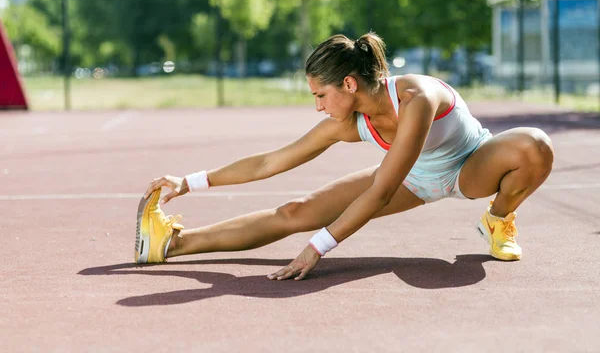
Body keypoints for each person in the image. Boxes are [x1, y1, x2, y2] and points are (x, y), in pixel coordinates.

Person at [135, 32, 554, 281]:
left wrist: (318, 246)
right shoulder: (347, 122)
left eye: (320, 95)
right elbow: (270, 162)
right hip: (414, 179)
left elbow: (381, 191)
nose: (317, 106)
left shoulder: (416, 98)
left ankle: (497, 219)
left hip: (471, 168)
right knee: (295, 211)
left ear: (350, 84)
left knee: (533, 145)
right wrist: (188, 181)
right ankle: (171, 244)